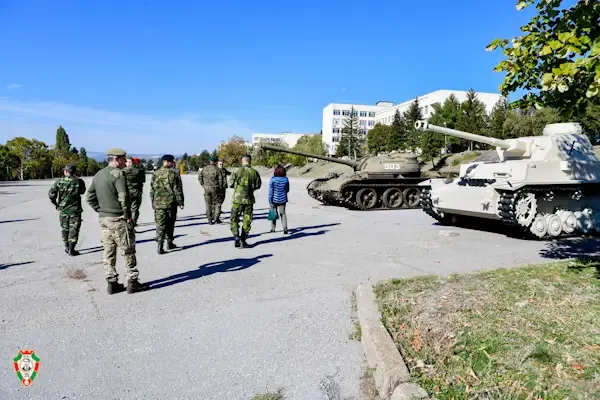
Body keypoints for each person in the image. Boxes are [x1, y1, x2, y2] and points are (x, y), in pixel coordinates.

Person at [86, 148, 148, 294]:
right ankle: (132, 281)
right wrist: (127, 215)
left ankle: (111, 282)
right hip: (118, 218)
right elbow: (123, 196)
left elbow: (89, 197)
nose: (125, 161)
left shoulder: (99, 174)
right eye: (123, 158)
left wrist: (101, 210)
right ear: (116, 159)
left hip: (104, 218)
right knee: (127, 249)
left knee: (109, 250)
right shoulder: (118, 174)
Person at [48, 164, 87, 256]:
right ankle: (71, 249)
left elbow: (51, 194)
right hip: (75, 210)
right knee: (74, 229)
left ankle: (66, 247)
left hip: (63, 209)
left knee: (65, 228)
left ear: (66, 171)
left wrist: (56, 204)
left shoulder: (59, 182)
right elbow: (82, 191)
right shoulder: (79, 181)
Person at [150, 154, 184, 254]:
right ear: (168, 162)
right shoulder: (174, 173)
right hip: (170, 203)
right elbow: (177, 189)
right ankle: (169, 243)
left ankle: (159, 245)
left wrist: (153, 201)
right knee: (170, 223)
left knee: (160, 224)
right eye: (172, 162)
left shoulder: (155, 173)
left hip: (158, 203)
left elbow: (152, 189)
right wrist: (181, 202)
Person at [229, 154, 262, 248]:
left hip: (237, 199)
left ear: (242, 161)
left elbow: (230, 184)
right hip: (249, 200)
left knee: (234, 218)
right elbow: (258, 185)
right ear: (250, 161)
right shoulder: (254, 172)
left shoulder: (236, 171)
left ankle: (236, 237)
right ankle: (243, 239)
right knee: (247, 219)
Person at [198, 156, 226, 224]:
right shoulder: (217, 170)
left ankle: (209, 220)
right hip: (215, 189)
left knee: (208, 204)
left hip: (206, 189)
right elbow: (221, 181)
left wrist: (203, 185)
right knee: (218, 203)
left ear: (210, 161)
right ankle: (216, 217)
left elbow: (199, 178)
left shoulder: (204, 169)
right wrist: (220, 188)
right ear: (216, 162)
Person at [123, 156, 146, 227]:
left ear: (129, 162)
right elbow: (143, 180)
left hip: (127, 192)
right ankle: (133, 223)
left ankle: (127, 224)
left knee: (126, 208)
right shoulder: (140, 170)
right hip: (137, 191)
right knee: (135, 209)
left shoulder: (123, 171)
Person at [268, 164, 290, 234]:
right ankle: (285, 228)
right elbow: (287, 190)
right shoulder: (286, 179)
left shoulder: (273, 179)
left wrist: (270, 200)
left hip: (274, 199)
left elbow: (271, 191)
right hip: (283, 199)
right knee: (283, 213)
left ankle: (273, 228)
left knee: (273, 213)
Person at [215, 159, 231, 223]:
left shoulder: (224, 170)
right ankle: (216, 216)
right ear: (217, 164)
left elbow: (230, 173)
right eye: (220, 164)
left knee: (221, 201)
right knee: (218, 202)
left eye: (222, 164)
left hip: (223, 188)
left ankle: (217, 212)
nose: (221, 165)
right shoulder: (215, 170)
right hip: (217, 188)